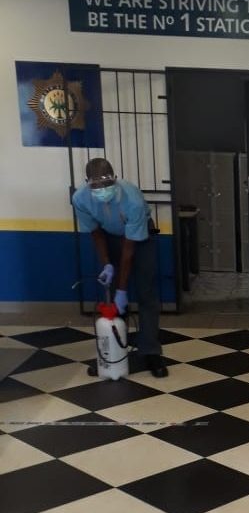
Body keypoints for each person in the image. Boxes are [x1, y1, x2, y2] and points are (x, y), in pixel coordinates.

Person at [72, 158, 167, 377]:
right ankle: (114, 352)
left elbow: (129, 248)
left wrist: (123, 290)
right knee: (112, 296)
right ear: (87, 182)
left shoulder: (132, 198)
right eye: (96, 186)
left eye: (107, 185)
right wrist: (107, 263)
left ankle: (151, 352)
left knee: (146, 292)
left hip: (140, 238)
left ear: (115, 179)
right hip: (109, 236)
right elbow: (95, 232)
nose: (102, 190)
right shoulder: (80, 199)